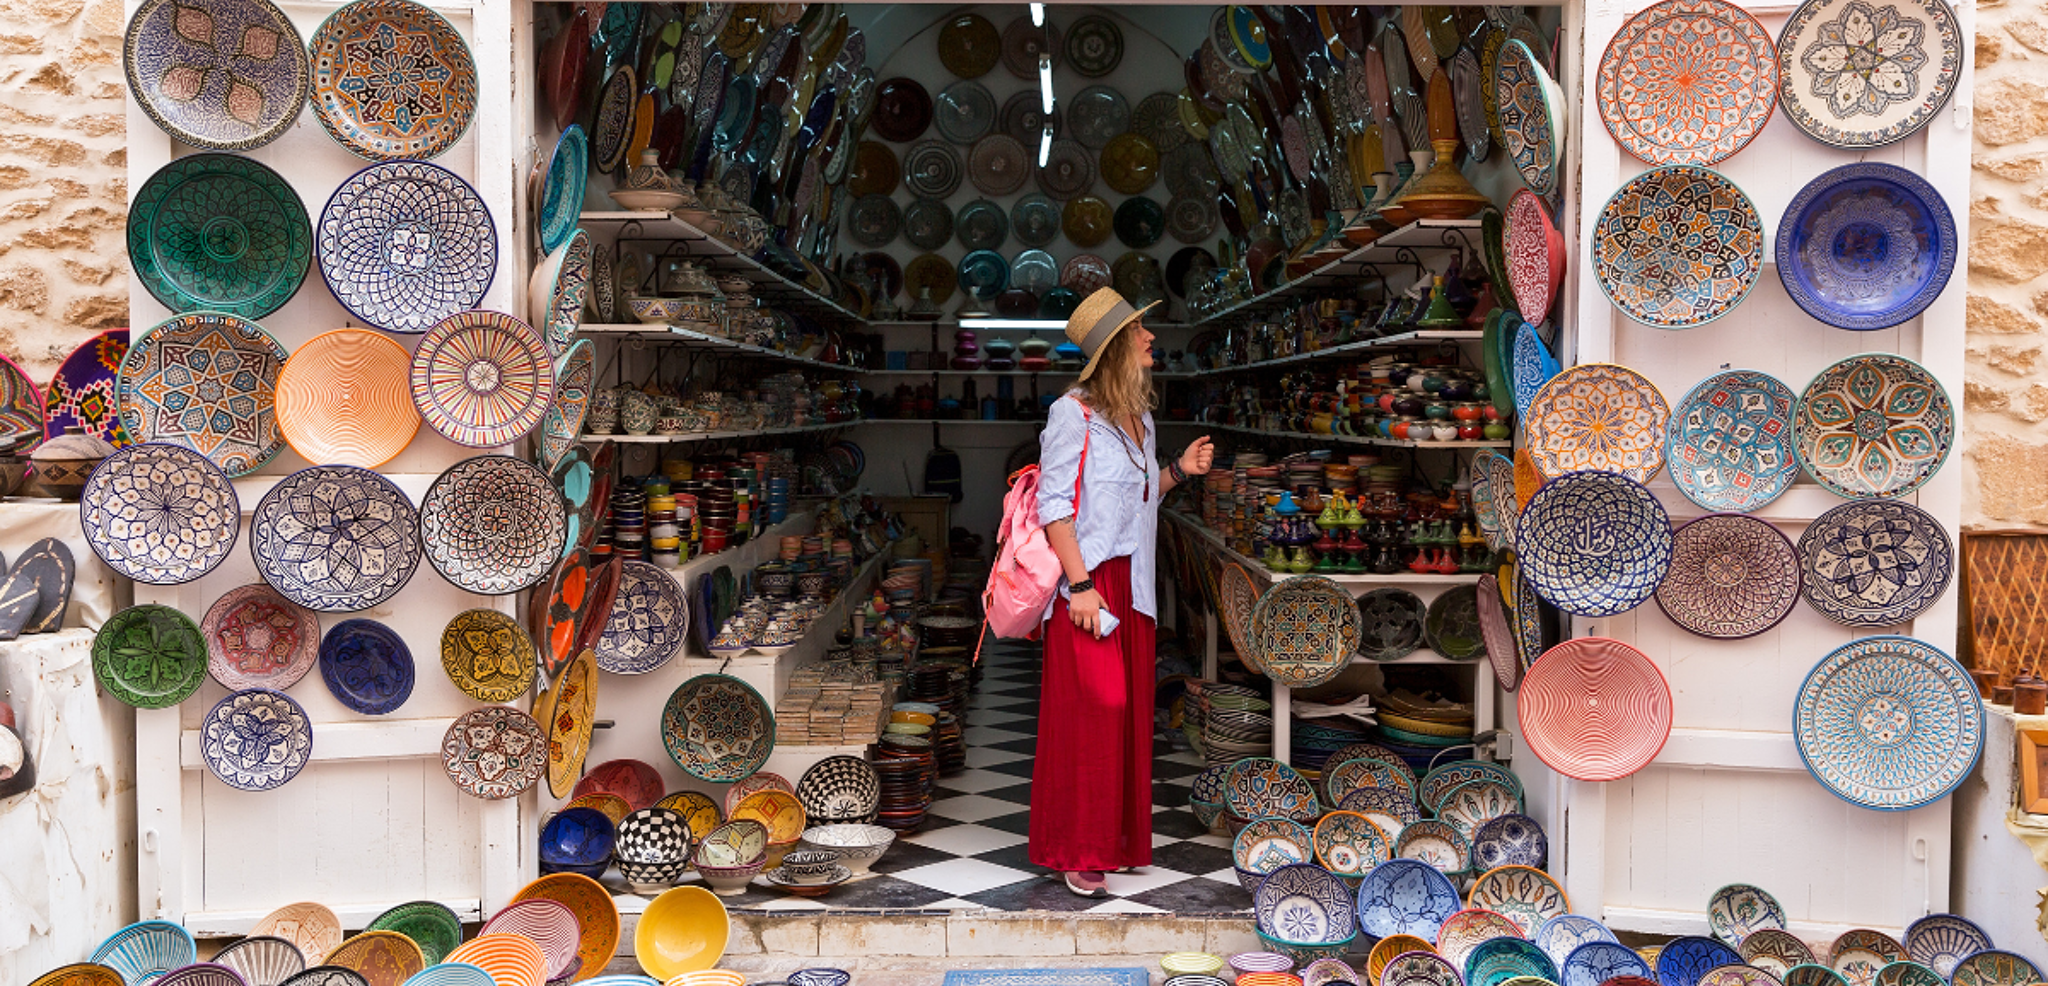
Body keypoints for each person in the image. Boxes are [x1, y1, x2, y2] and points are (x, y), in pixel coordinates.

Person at [1030, 287, 1215, 898]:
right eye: (1140, 331)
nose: (1151, 338)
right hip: (1090, 583)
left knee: (1129, 715)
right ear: (1115, 348)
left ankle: (1120, 845)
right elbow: (1054, 510)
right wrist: (1079, 586)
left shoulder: (1141, 419)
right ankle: (1077, 848)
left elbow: (1137, 499)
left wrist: (1177, 472)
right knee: (1095, 710)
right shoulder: (1071, 415)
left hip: (1132, 586)